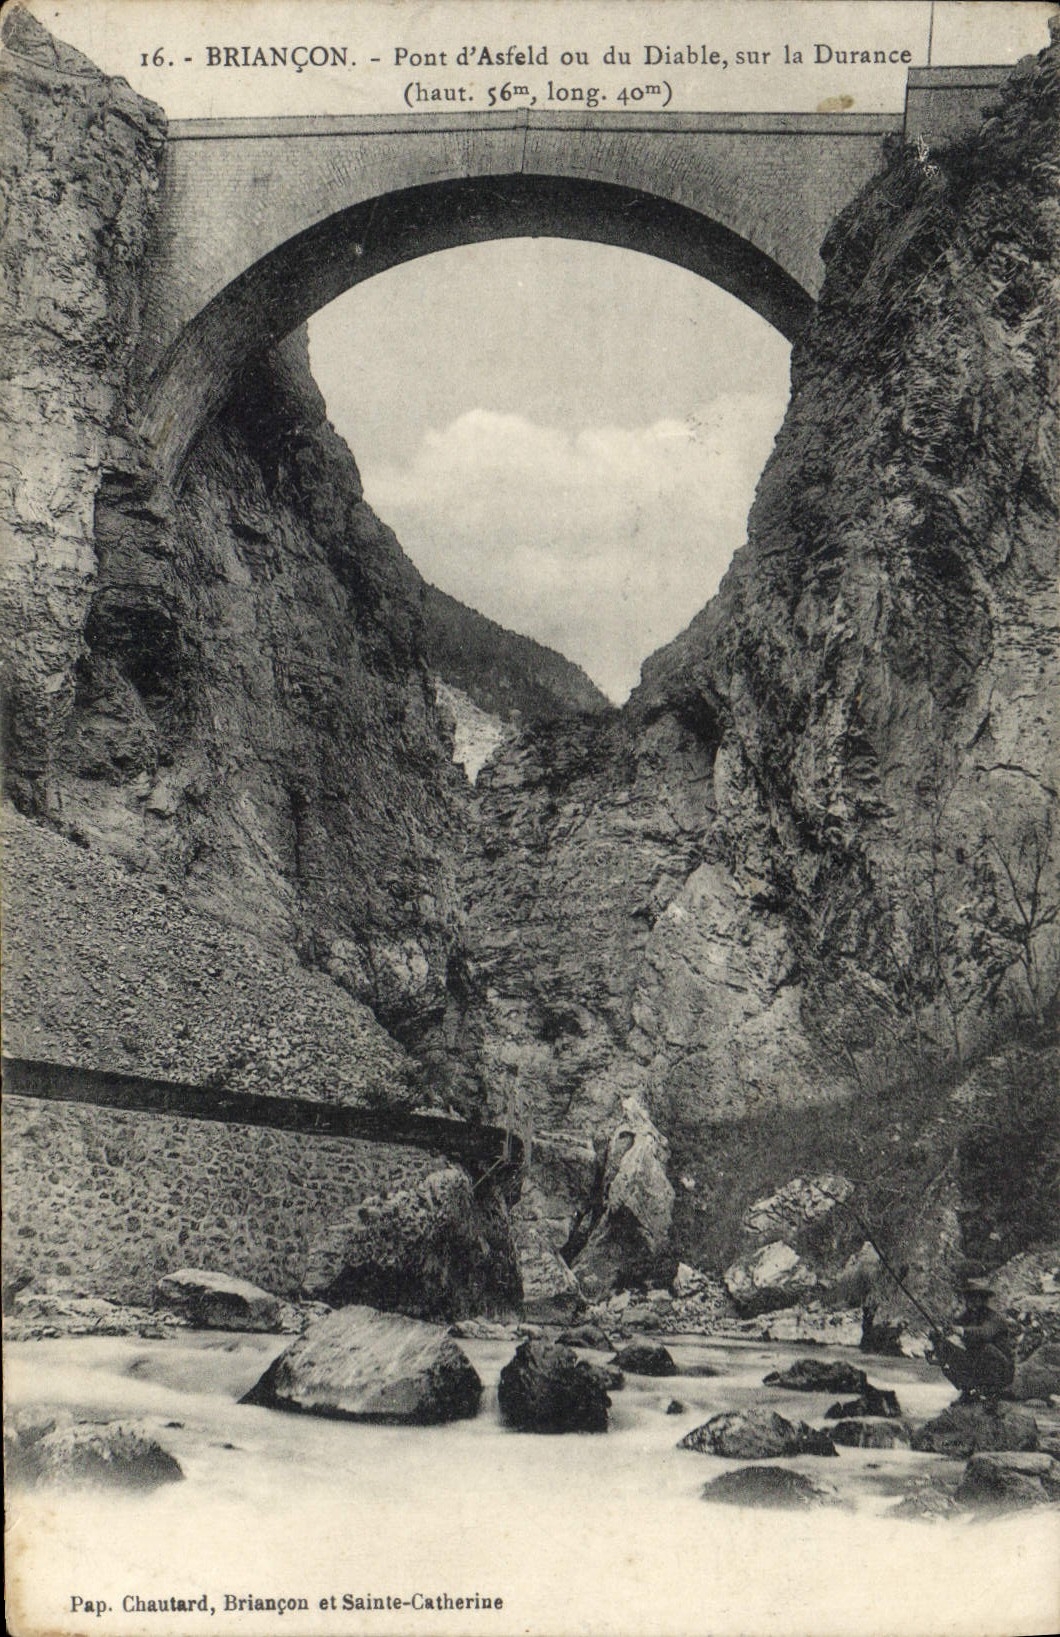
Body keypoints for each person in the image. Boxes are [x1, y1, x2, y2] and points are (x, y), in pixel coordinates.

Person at [932, 1275, 1015, 1403]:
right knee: (944, 1346)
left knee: (985, 1348)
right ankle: (968, 1391)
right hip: (978, 1364)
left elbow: (984, 1333)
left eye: (976, 1297)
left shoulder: (995, 1318)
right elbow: (952, 1330)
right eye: (969, 1297)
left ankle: (991, 1392)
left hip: (1002, 1370)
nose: (972, 1300)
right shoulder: (966, 1317)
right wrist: (937, 1341)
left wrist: (961, 1330)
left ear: (983, 1299)